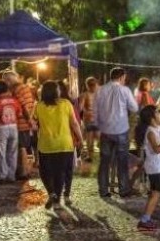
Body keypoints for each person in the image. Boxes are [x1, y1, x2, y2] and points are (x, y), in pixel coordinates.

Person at [34, 81, 82, 209]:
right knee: (60, 172)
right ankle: (57, 198)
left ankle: (51, 193)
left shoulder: (39, 106)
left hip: (46, 145)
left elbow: (33, 123)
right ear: (57, 91)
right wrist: (80, 139)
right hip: (64, 144)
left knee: (44, 172)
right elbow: (75, 124)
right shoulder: (66, 104)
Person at [93, 67, 138, 198]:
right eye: (124, 78)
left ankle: (103, 190)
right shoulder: (125, 90)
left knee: (104, 162)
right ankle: (123, 190)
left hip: (105, 131)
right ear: (121, 77)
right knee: (122, 161)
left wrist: (97, 128)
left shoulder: (100, 90)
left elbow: (95, 111)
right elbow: (134, 107)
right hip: (121, 130)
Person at [1, 71, 35, 181]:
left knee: (21, 147)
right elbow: (31, 104)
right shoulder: (25, 87)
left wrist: (29, 119)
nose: (5, 84)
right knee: (22, 146)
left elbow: (24, 106)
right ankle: (21, 171)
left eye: (5, 81)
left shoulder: (17, 90)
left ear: (9, 80)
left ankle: (23, 172)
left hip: (21, 122)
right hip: (25, 121)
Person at [58, 81, 80, 203]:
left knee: (58, 169)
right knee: (68, 169)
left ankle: (59, 193)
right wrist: (79, 138)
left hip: (53, 142)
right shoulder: (69, 103)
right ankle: (66, 194)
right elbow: (75, 123)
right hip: (68, 141)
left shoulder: (44, 105)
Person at [80, 77, 99, 162]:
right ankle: (103, 156)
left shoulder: (85, 95)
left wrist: (86, 111)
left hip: (89, 120)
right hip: (97, 120)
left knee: (90, 139)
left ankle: (90, 156)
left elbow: (80, 107)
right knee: (99, 139)